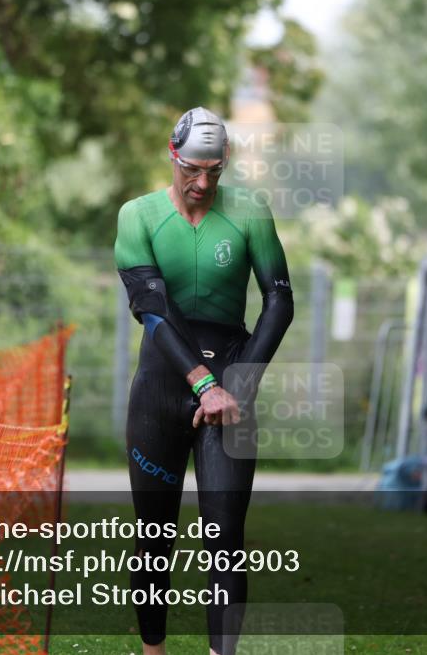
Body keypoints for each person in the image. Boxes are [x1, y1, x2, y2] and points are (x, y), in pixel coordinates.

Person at [114, 107, 294, 655]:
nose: (203, 183)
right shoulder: (137, 215)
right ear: (173, 155)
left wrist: (237, 386)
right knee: (153, 539)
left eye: (215, 171)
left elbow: (280, 300)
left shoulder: (249, 212)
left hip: (230, 387)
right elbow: (150, 308)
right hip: (162, 387)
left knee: (225, 542)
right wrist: (202, 383)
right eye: (193, 168)